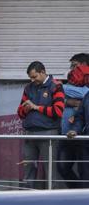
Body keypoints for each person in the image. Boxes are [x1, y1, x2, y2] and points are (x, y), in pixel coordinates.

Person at [17, 61, 64, 189]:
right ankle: (26, 198)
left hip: (48, 133)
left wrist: (36, 107)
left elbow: (58, 111)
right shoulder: (28, 87)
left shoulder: (56, 86)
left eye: (35, 76)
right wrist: (25, 109)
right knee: (28, 169)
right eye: (30, 77)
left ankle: (52, 199)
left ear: (43, 72)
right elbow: (20, 113)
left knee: (50, 170)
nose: (33, 80)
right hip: (29, 133)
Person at [57, 54, 89, 188]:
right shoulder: (71, 83)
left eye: (74, 66)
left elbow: (83, 93)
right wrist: (66, 101)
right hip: (68, 134)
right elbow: (55, 99)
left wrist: (59, 87)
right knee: (63, 167)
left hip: (83, 138)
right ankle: (77, 194)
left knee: (85, 173)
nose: (71, 70)